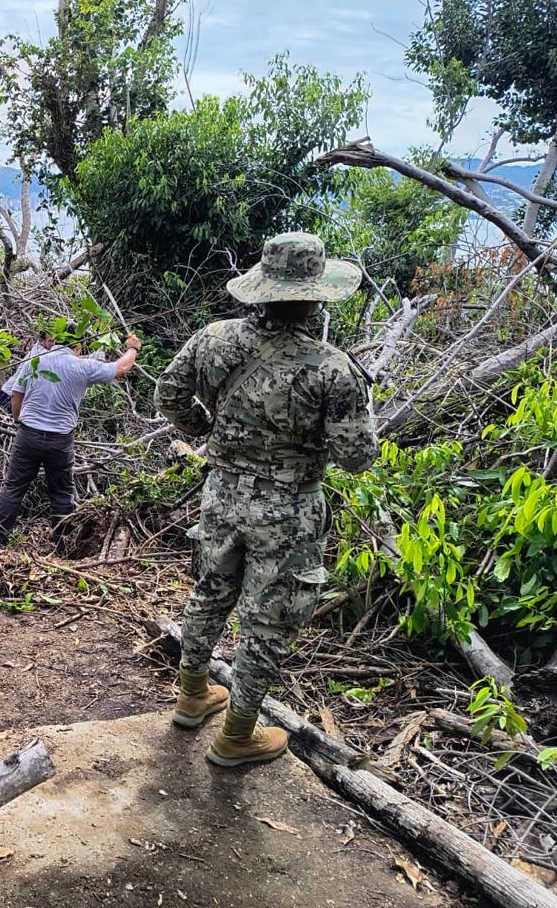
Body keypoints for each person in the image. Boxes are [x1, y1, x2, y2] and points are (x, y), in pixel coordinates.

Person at [154, 231, 378, 768]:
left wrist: (208, 433)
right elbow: (356, 458)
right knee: (267, 623)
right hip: (289, 509)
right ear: (314, 295)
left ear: (262, 287)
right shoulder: (331, 368)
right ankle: (236, 735)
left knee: (210, 590)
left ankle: (192, 695)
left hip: (222, 492)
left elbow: (168, 394)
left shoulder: (213, 339)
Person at [0, 328, 142, 552]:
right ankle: (61, 545)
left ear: (55, 341)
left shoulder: (36, 361)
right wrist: (132, 348)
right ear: (77, 347)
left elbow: (16, 393)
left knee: (13, 487)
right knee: (61, 492)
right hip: (60, 441)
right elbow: (121, 368)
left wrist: (19, 419)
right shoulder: (82, 366)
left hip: (28, 435)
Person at [0, 330, 54, 412]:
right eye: (50, 341)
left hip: (15, 395)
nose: (53, 344)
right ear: (41, 340)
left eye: (55, 341)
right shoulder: (39, 353)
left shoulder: (43, 351)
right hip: (9, 395)